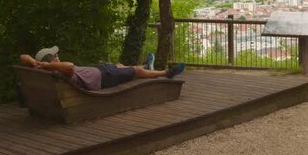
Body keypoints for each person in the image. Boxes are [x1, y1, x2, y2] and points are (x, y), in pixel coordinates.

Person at [19, 46, 185, 91]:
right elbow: (69, 67)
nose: (58, 56)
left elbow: (22, 57)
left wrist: (37, 63)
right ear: (52, 60)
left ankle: (147, 66)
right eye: (55, 55)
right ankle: (166, 73)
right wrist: (45, 64)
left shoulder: (44, 70)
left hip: (98, 71)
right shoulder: (59, 70)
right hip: (102, 77)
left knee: (119, 65)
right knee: (135, 71)